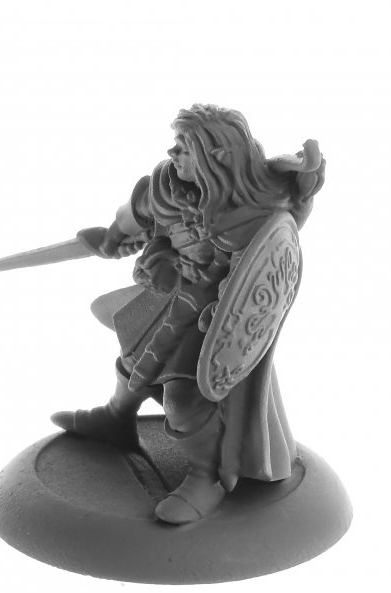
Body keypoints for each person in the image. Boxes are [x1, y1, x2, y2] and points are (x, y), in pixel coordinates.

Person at [51, 104, 325, 524]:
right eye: (175, 144)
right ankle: (115, 419)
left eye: (183, 147)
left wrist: (302, 183)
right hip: (170, 295)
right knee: (132, 360)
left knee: (184, 397)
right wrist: (112, 240)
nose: (172, 152)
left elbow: (269, 253)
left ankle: (206, 477)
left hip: (212, 318)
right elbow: (132, 217)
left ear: (216, 157)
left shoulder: (253, 212)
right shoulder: (165, 186)